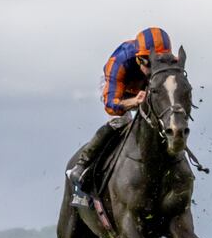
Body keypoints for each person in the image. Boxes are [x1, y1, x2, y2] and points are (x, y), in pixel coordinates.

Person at [66, 27, 172, 208]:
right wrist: (133, 102)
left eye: (160, 61)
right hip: (117, 89)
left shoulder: (166, 61)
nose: (156, 67)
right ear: (140, 59)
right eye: (151, 63)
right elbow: (111, 105)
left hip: (145, 86)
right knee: (122, 121)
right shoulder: (120, 63)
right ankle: (81, 167)